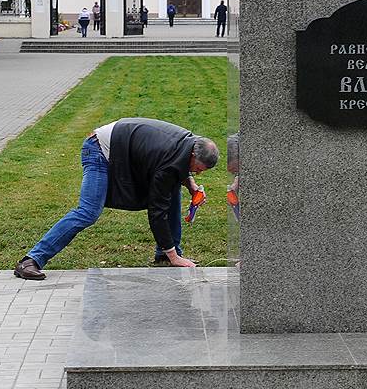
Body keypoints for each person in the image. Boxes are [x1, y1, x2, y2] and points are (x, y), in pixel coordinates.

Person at [15, 118, 219, 280]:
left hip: (123, 145)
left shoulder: (188, 145)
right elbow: (156, 212)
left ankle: (164, 256)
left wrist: (190, 184)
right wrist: (175, 257)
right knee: (88, 212)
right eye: (197, 169)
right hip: (98, 150)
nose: (197, 173)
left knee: (172, 192)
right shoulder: (172, 158)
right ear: (193, 153)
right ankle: (31, 260)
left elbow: (176, 166)